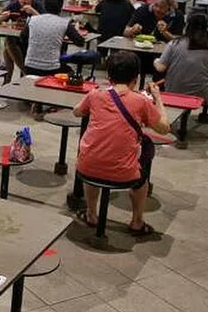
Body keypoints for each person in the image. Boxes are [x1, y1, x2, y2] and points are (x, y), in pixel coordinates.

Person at [73, 51, 171, 235]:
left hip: (86, 167)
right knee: (146, 153)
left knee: (93, 155)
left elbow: (76, 111)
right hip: (124, 173)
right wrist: (158, 98)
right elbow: (164, 128)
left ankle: (91, 214)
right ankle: (137, 222)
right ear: (136, 78)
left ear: (109, 77)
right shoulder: (141, 101)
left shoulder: (95, 95)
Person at [154, 13, 208, 123]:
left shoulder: (174, 43)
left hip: (173, 90)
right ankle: (203, 112)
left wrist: (156, 61)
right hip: (200, 94)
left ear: (187, 25)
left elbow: (160, 68)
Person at [20, 0, 85, 76]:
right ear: (61, 7)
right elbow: (80, 42)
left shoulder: (33, 20)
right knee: (70, 72)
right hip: (52, 69)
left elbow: (22, 38)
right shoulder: (64, 23)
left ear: (44, 5)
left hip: (29, 67)